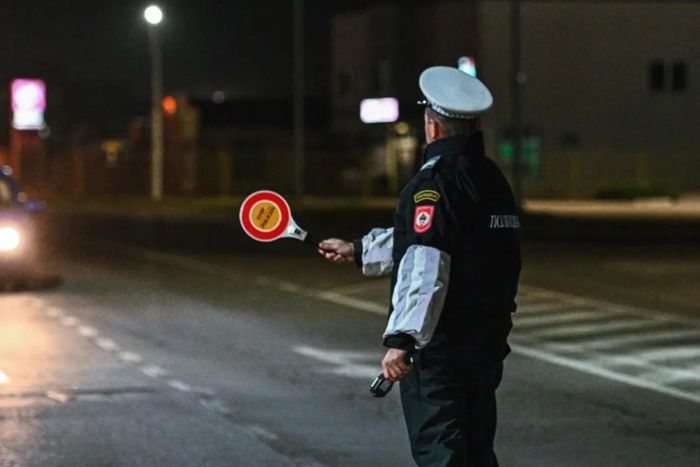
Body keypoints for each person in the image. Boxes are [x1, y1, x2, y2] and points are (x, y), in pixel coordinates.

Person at [319, 66, 521, 466]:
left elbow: (428, 261)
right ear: (475, 124)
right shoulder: (490, 179)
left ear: (432, 128)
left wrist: (403, 339)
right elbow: (438, 238)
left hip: (442, 351)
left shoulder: (433, 184)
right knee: (477, 450)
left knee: (441, 453)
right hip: (486, 344)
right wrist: (359, 249)